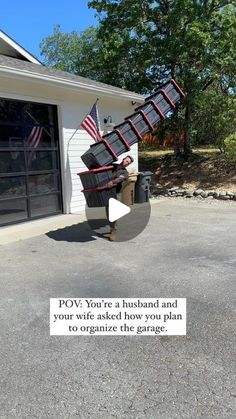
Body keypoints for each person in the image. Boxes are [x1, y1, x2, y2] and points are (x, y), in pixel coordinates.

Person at [105, 155, 134, 241]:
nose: (126, 163)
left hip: (116, 192)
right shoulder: (113, 166)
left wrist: (113, 182)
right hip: (107, 191)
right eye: (126, 160)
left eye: (128, 163)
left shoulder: (125, 172)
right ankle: (112, 227)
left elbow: (120, 179)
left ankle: (113, 231)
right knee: (108, 210)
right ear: (123, 159)